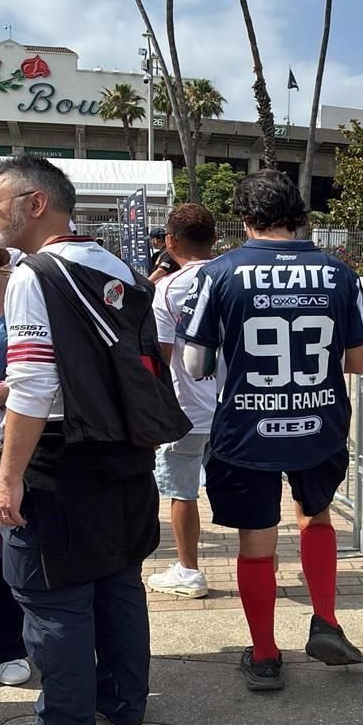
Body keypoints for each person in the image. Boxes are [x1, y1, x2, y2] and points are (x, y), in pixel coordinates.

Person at [0, 154, 190, 725]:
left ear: (34, 203)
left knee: (51, 594)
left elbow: (31, 386)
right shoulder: (115, 265)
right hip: (124, 453)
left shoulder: (34, 275)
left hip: (59, 458)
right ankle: (125, 708)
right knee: (118, 582)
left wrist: (9, 478)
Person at [176, 169, 363, 692]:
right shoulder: (339, 273)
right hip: (320, 422)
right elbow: (358, 360)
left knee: (256, 543)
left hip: (246, 427)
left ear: (245, 219)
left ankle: (265, 655)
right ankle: (327, 621)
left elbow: (195, 363)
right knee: (316, 515)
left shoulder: (217, 273)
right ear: (300, 216)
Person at [148, 204, 217, 598]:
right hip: (237, 407)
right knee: (249, 487)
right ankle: (261, 561)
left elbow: (161, 354)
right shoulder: (231, 277)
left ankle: (189, 570)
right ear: (214, 239)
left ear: (170, 241)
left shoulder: (168, 289)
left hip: (187, 407)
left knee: (182, 491)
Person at [0, 228, 31, 687]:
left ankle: (6, 644)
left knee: (1, 552)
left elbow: (42, 369)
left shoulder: (20, 282)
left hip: (7, 442)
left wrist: (6, 392)